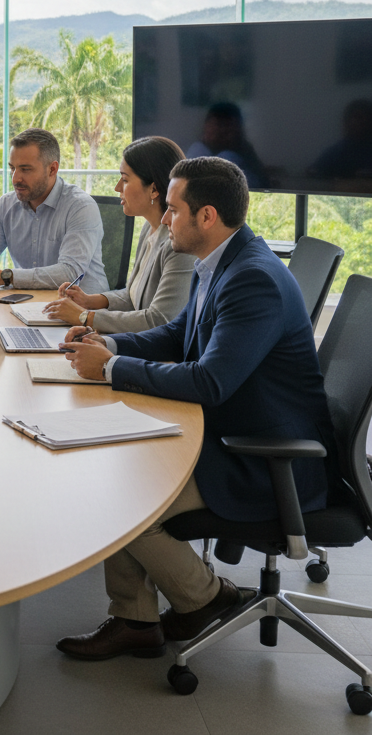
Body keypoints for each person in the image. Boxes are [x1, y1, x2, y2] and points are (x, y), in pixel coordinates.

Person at [56, 156, 336, 661]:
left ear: (206, 217)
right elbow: (178, 334)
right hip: (230, 431)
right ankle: (137, 621)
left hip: (266, 457)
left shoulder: (252, 278)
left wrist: (109, 371)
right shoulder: (223, 260)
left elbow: (209, 381)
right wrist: (110, 347)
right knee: (113, 463)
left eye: (175, 209)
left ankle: (205, 598)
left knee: (123, 498)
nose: (165, 218)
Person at [44, 136, 194, 333]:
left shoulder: (179, 245)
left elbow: (158, 320)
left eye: (124, 179)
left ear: (154, 189)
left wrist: (84, 317)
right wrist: (90, 301)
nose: (117, 188)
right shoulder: (149, 229)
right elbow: (134, 297)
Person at [0, 127, 107, 293]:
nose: (15, 178)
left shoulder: (81, 207)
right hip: (28, 304)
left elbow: (69, 273)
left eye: (25, 169)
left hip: (82, 309)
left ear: (52, 169)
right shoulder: (6, 205)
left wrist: (7, 277)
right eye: (12, 168)